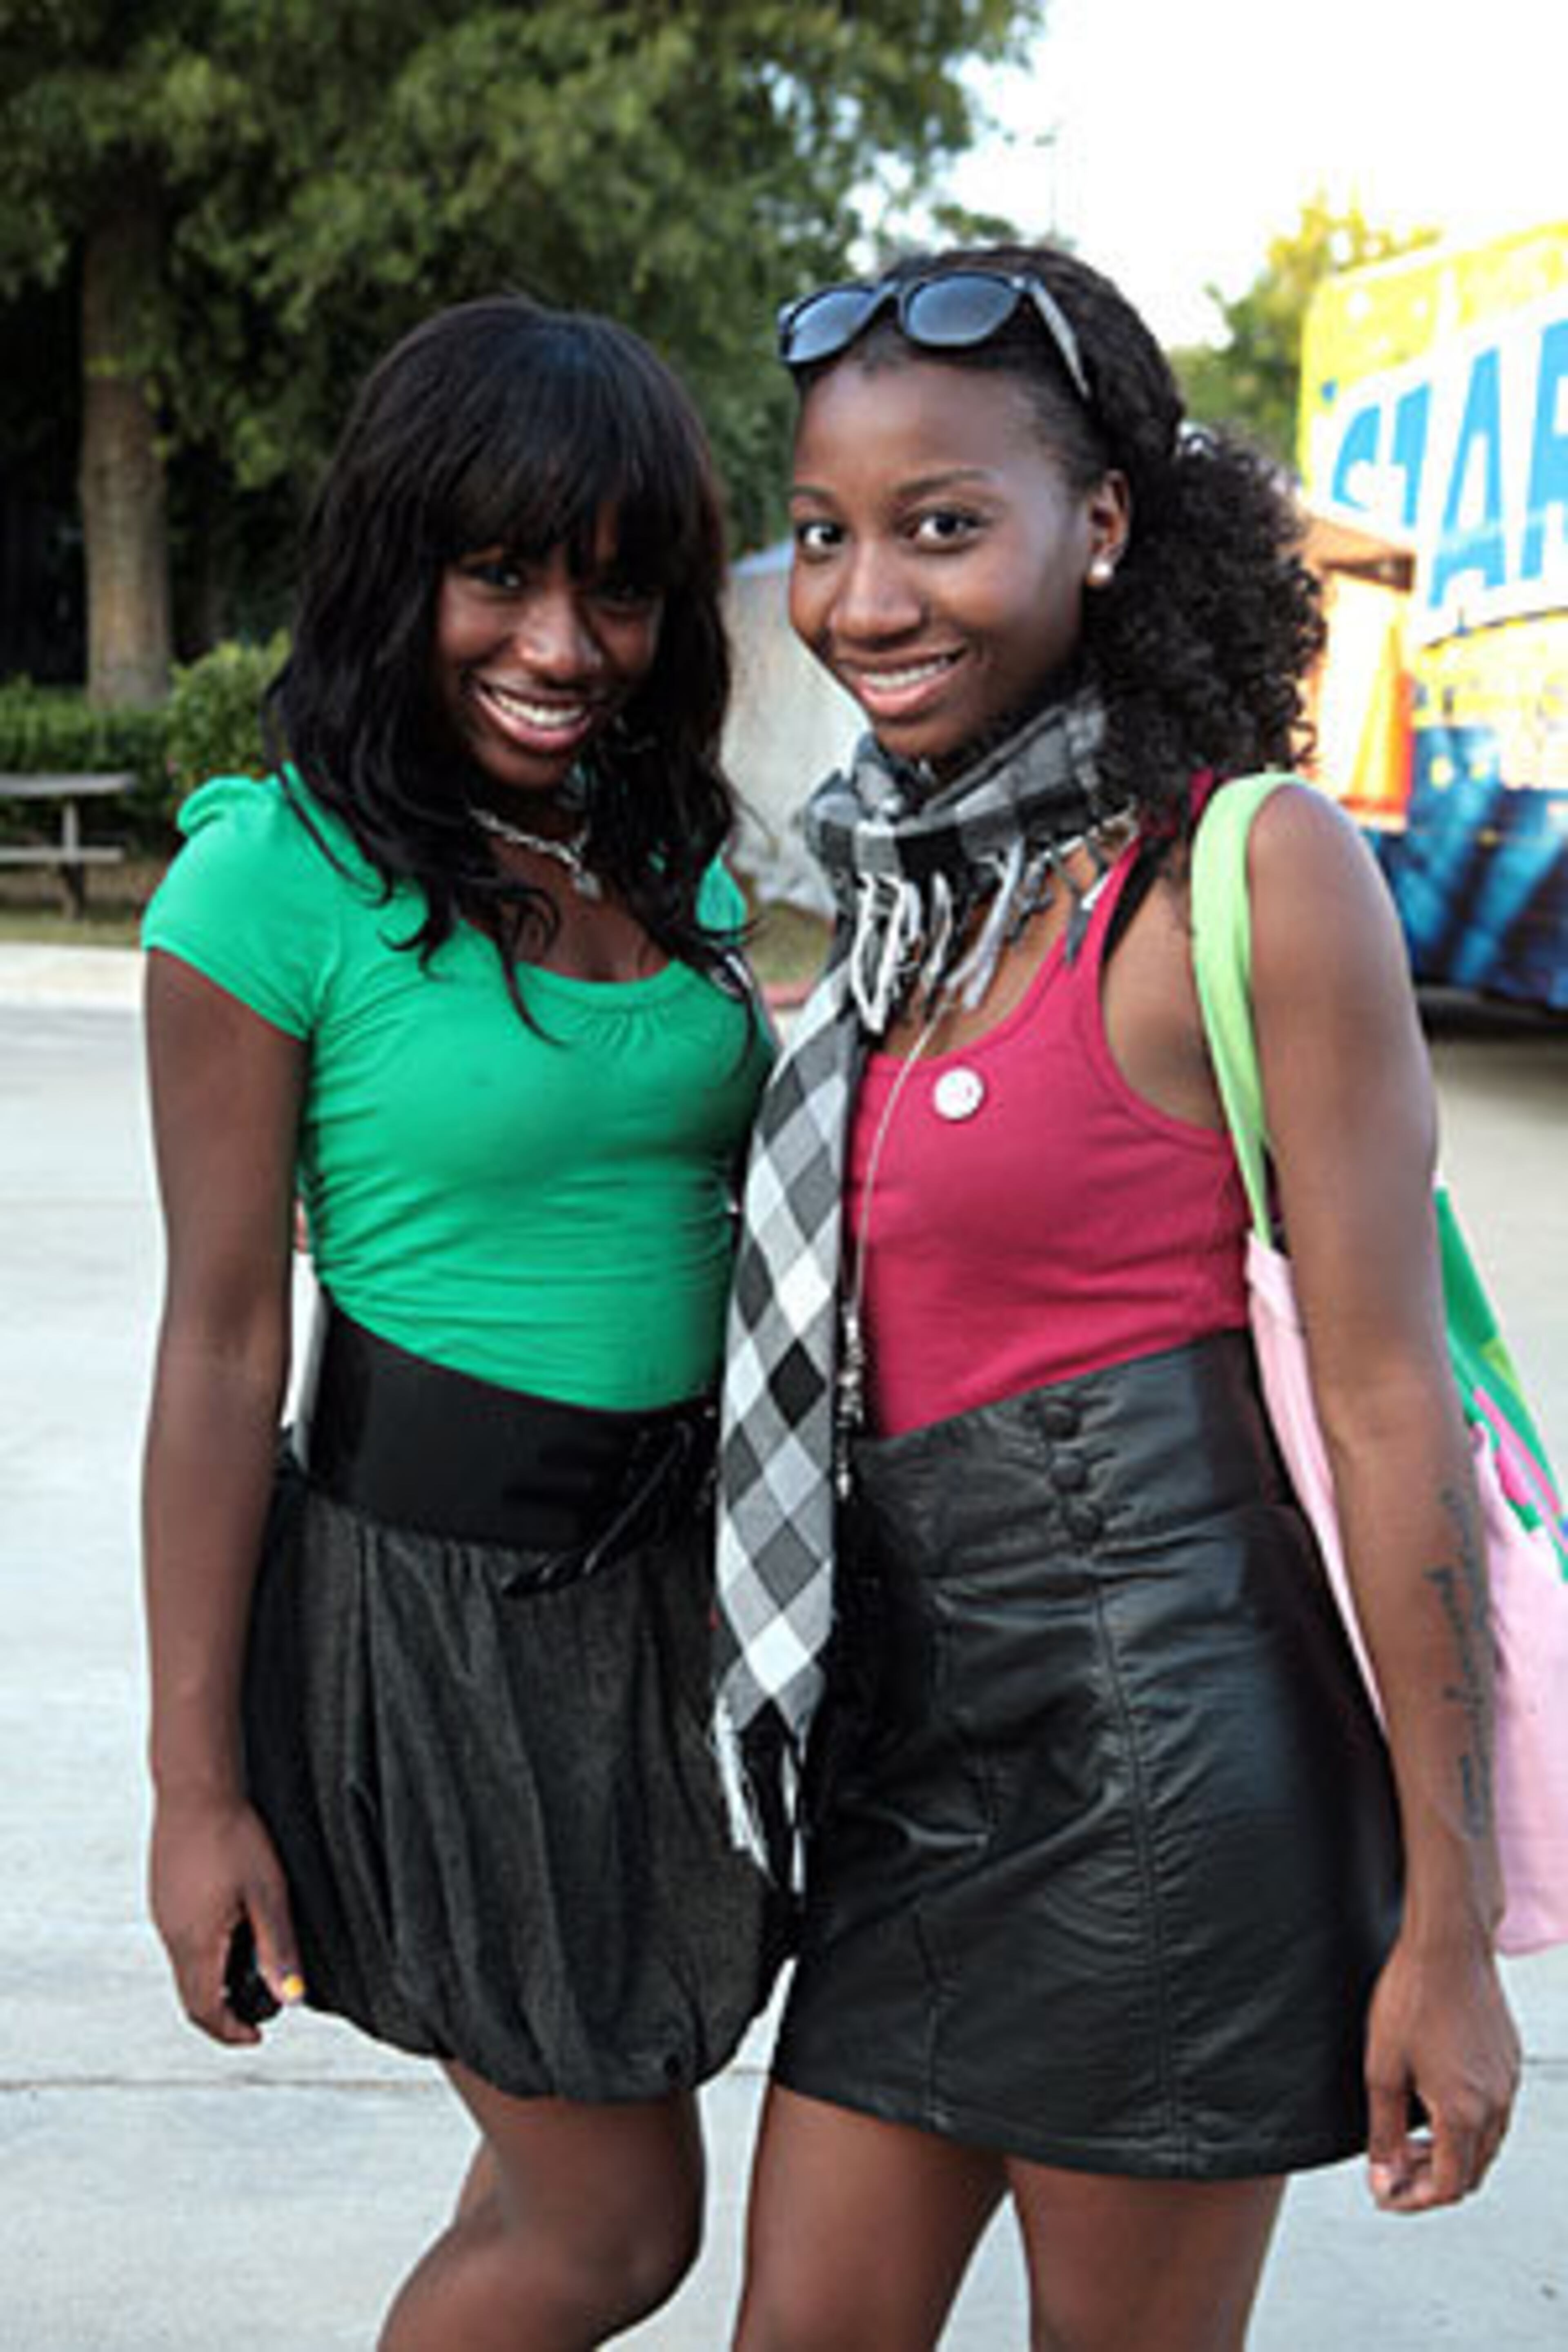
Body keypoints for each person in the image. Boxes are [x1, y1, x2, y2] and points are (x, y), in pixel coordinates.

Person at [713, 243, 1521, 2352]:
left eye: (943, 526)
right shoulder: (894, 924)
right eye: (825, 536)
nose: (867, 598)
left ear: (1108, 523)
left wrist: (1456, 1929)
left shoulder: (1245, 878)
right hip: (909, 1783)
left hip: (1165, 1797)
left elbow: (1385, 1414)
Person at [140, 294, 784, 2350]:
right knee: (615, 2229)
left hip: (679, 1606)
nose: (561, 645)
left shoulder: (653, 840)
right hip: (429, 1621)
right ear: (394, 565)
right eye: (498, 574)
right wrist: (195, 1790)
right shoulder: (271, 884)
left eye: (615, 587)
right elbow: (225, 1348)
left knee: (536, 2175)